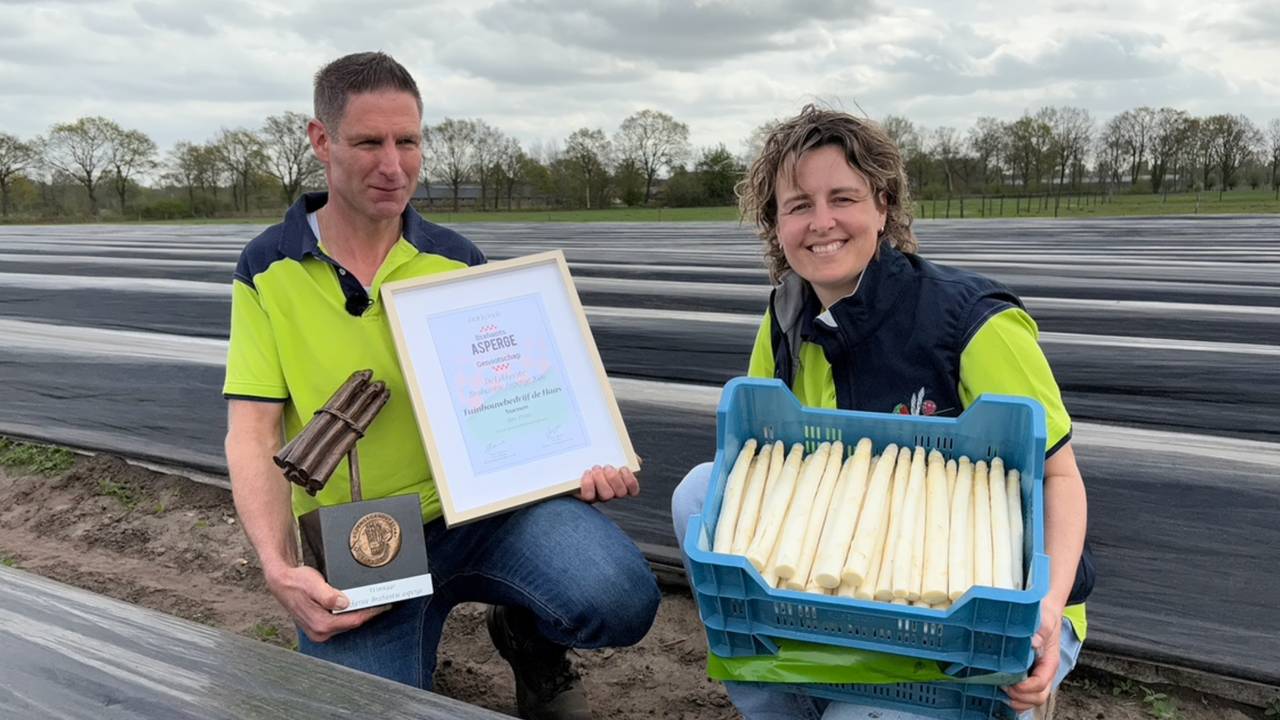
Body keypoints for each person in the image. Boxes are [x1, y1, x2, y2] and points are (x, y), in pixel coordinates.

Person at [223, 51, 659, 720]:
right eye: (369, 142)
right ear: (320, 140)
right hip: (364, 537)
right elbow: (253, 431)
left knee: (617, 594)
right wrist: (278, 565)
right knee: (354, 708)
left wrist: (574, 461)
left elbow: (506, 395)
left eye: (409, 141)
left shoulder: (455, 261)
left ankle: (527, 635)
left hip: (481, 517)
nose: (394, 166)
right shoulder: (266, 267)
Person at [671, 105, 1094, 720]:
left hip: (975, 618)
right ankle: (793, 699)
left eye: (842, 197)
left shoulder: (974, 321)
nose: (822, 223)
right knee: (701, 492)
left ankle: (1006, 706)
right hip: (837, 592)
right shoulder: (785, 317)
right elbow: (760, 467)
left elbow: (1058, 476)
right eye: (798, 205)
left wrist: (1049, 609)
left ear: (883, 206)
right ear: (776, 224)